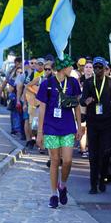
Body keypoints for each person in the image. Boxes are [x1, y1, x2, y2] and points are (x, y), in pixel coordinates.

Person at [36, 56, 83, 209]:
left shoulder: (73, 82)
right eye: (70, 66)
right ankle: (53, 194)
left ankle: (62, 185)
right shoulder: (47, 84)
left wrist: (79, 126)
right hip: (51, 127)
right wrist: (40, 132)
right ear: (63, 68)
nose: (72, 69)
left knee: (68, 160)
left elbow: (76, 105)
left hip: (68, 127)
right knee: (55, 160)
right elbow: (42, 108)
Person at [81, 57, 111, 194]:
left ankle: (102, 179)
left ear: (105, 69)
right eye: (95, 67)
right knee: (93, 154)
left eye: (100, 67)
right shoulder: (88, 83)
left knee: (106, 153)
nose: (98, 70)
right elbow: (82, 100)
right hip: (93, 122)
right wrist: (85, 101)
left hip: (107, 123)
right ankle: (93, 184)